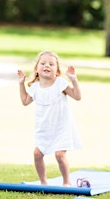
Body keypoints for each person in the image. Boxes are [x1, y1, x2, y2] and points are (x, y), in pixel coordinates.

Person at [17, 50, 82, 187]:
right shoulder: (35, 87)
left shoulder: (60, 83)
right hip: (44, 128)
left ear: (57, 71)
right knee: (37, 154)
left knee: (60, 155)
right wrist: (21, 83)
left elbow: (77, 96)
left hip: (61, 127)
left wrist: (74, 80)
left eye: (51, 64)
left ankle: (66, 183)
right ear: (36, 69)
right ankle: (43, 182)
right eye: (43, 63)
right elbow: (25, 101)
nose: (47, 66)